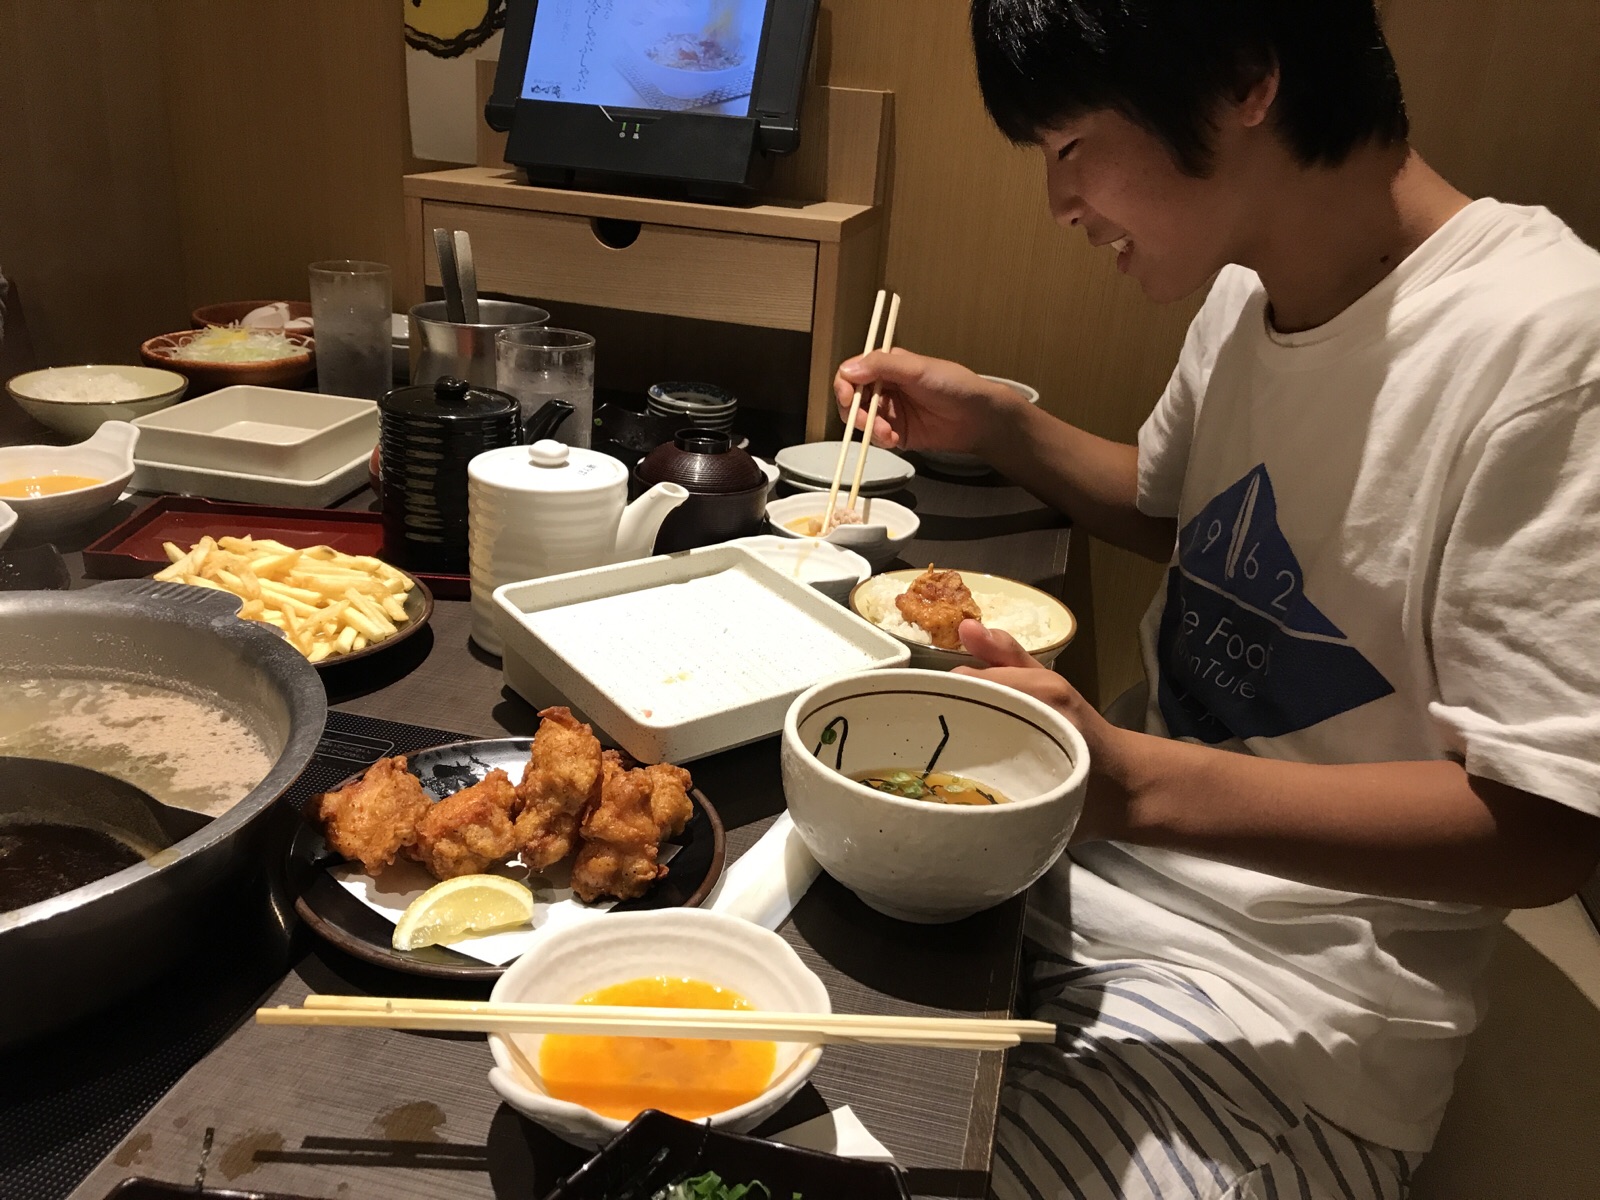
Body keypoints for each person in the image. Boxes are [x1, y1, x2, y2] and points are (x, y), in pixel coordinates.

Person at [835, 2, 1600, 1197]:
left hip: (1284, 1014)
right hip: (1075, 890)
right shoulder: (1247, 288)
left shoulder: (1553, 348)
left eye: (1071, 144)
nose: (1059, 202)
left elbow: (1547, 824)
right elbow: (1175, 508)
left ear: (1245, 77)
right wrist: (999, 424)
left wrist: (1134, 784)